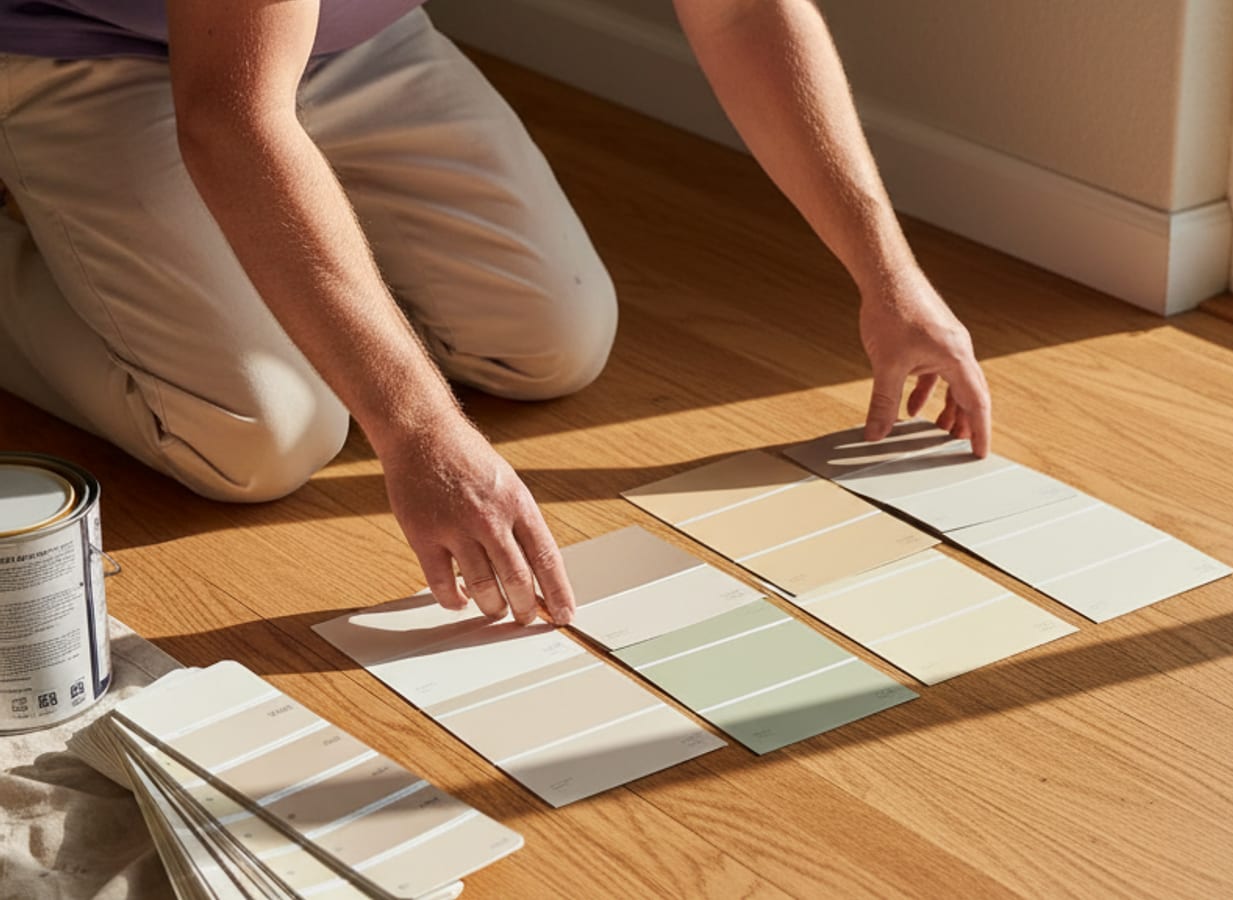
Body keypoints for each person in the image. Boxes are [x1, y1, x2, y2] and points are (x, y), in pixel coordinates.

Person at [0, 0, 991, 628]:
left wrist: (888, 274)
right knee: (261, 437)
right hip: (98, 51)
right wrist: (418, 430)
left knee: (550, 342)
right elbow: (232, 117)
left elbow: (739, 14)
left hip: (356, 36)